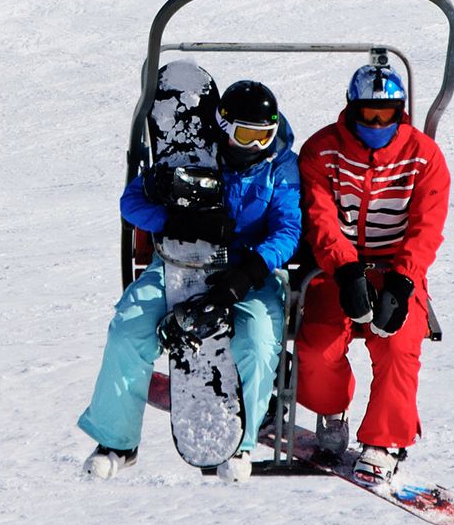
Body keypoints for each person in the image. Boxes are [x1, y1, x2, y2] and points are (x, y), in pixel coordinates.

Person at [78, 67, 299, 482]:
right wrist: (175, 222)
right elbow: (131, 204)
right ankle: (116, 441)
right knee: (128, 330)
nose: (254, 146)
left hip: (246, 273)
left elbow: (287, 230)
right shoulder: (191, 153)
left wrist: (247, 273)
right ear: (223, 126)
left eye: (263, 137)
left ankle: (241, 443)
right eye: (245, 135)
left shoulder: (279, 166)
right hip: (179, 262)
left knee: (257, 340)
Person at [293, 63, 450, 487]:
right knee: (317, 347)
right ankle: (330, 411)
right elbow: (320, 217)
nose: (377, 124)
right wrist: (344, 269)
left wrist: (403, 279)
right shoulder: (322, 151)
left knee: (399, 345)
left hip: (397, 269)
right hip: (336, 268)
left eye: (387, 115)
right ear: (351, 110)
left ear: (401, 111)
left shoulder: (424, 157)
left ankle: (384, 440)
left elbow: (426, 226)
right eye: (368, 115)